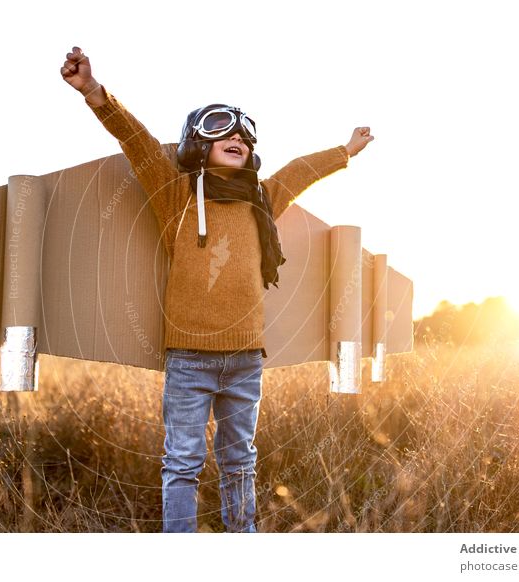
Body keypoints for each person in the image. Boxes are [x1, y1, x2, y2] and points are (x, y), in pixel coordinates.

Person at [60, 45, 373, 533]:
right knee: (182, 464)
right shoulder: (177, 196)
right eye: (219, 132)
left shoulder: (262, 200)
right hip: (189, 360)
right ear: (196, 147)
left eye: (242, 137)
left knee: (239, 464)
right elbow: (137, 142)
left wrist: (345, 151)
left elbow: (297, 171)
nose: (234, 139)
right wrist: (94, 92)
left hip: (246, 358)